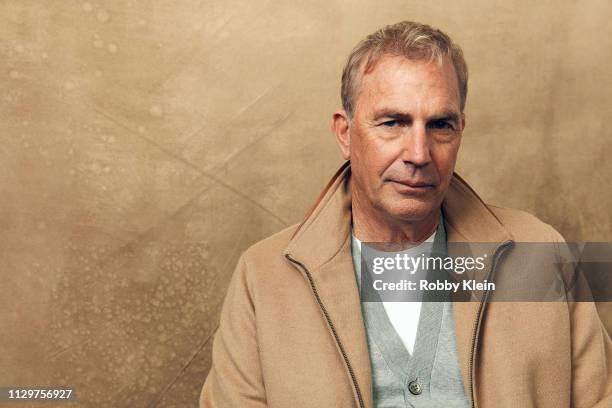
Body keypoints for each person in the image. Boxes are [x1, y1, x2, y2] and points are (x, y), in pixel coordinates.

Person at [200, 21, 612, 407]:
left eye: (440, 125)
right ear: (345, 133)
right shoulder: (262, 277)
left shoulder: (543, 255)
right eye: (393, 122)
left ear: (461, 131)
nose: (418, 154)